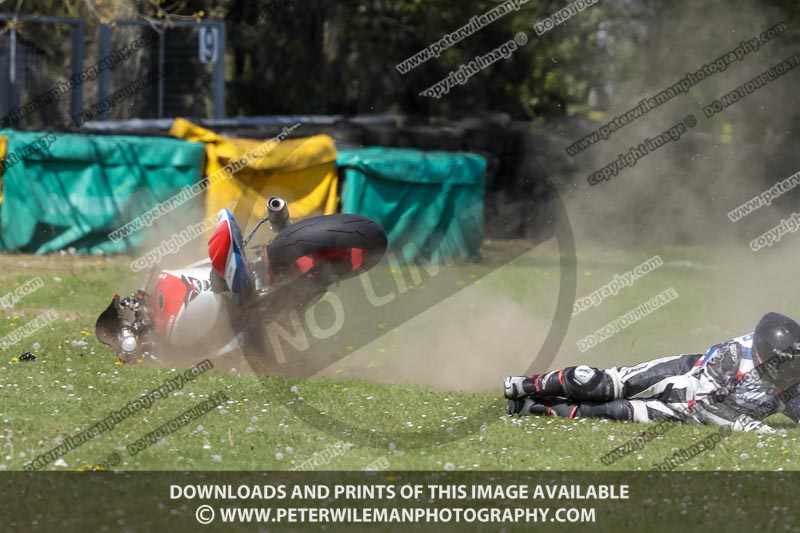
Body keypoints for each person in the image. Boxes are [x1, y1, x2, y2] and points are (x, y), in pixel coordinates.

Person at [504, 312, 800, 434]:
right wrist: (749, 426)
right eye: (784, 365)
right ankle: (524, 384)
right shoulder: (733, 354)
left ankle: (530, 407)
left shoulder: (791, 374)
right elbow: (707, 404)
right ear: (763, 353)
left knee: (602, 412)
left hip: (681, 415)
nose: (791, 372)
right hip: (680, 380)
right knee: (599, 386)